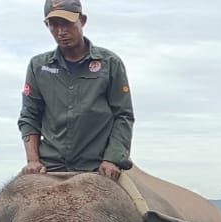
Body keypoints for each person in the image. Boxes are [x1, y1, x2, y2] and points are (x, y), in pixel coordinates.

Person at [18, 0, 135, 183]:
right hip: (50, 168)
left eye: (67, 23)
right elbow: (29, 116)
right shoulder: (38, 66)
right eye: (54, 25)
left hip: (99, 167)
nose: (61, 32)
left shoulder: (110, 63)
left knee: (140, 207)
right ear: (46, 25)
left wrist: (112, 159)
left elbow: (123, 115)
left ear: (82, 20)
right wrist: (33, 161)